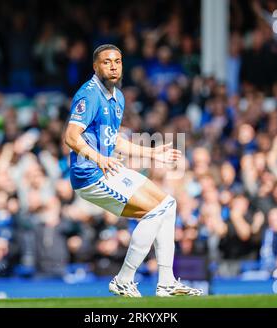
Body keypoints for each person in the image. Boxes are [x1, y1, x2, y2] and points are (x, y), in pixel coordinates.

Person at [64, 44, 203, 297]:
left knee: (168, 204)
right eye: (107, 62)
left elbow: (113, 139)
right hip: (90, 175)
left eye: (117, 61)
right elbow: (71, 137)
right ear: (96, 67)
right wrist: (98, 158)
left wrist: (152, 153)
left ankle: (167, 282)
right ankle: (124, 279)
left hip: (108, 168)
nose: (113, 66)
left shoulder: (118, 97)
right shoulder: (89, 94)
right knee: (155, 211)